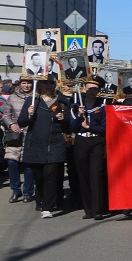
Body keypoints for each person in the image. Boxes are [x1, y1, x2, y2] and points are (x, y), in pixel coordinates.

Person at [17, 78, 69, 218]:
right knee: (39, 176)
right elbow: (21, 122)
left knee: (51, 175)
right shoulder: (33, 101)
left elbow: (69, 124)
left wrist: (63, 118)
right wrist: (29, 114)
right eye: (45, 82)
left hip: (55, 142)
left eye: (51, 83)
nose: (48, 85)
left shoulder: (62, 101)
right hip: (36, 144)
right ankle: (40, 200)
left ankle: (47, 207)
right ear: (39, 84)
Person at [70, 75, 108, 220]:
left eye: (95, 89)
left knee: (96, 175)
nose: (92, 91)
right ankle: (88, 209)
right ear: (84, 89)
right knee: (83, 175)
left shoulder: (103, 105)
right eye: (89, 88)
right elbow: (73, 127)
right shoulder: (75, 105)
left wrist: (89, 127)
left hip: (97, 142)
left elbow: (105, 128)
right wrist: (79, 116)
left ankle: (98, 209)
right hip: (81, 142)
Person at [0, 74, 34, 203]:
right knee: (12, 163)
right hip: (15, 136)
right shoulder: (12, 98)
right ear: (19, 83)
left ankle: (28, 192)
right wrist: (11, 124)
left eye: (29, 83)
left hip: (31, 134)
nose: (26, 85)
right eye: (24, 83)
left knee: (28, 165)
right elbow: (5, 115)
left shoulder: (36, 97)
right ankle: (15, 190)